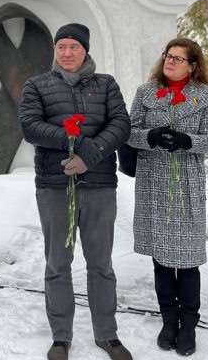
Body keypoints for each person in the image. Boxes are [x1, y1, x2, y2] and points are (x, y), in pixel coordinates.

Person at [18, 23, 132, 360]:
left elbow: (120, 125)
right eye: (61, 47)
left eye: (74, 47)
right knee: (58, 264)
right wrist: (75, 142)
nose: (67, 53)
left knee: (101, 264)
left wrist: (89, 156)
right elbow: (30, 126)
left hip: (99, 186)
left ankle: (107, 335)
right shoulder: (36, 85)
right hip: (54, 187)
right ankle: (61, 337)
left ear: (85, 50)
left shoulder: (106, 84)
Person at [126, 38, 208, 356]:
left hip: (186, 186)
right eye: (168, 56)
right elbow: (129, 131)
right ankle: (169, 321)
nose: (171, 62)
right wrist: (148, 136)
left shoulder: (205, 96)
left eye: (179, 59)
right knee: (162, 261)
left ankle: (189, 325)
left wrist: (187, 140)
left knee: (188, 261)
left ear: (193, 66)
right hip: (153, 184)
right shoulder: (146, 91)